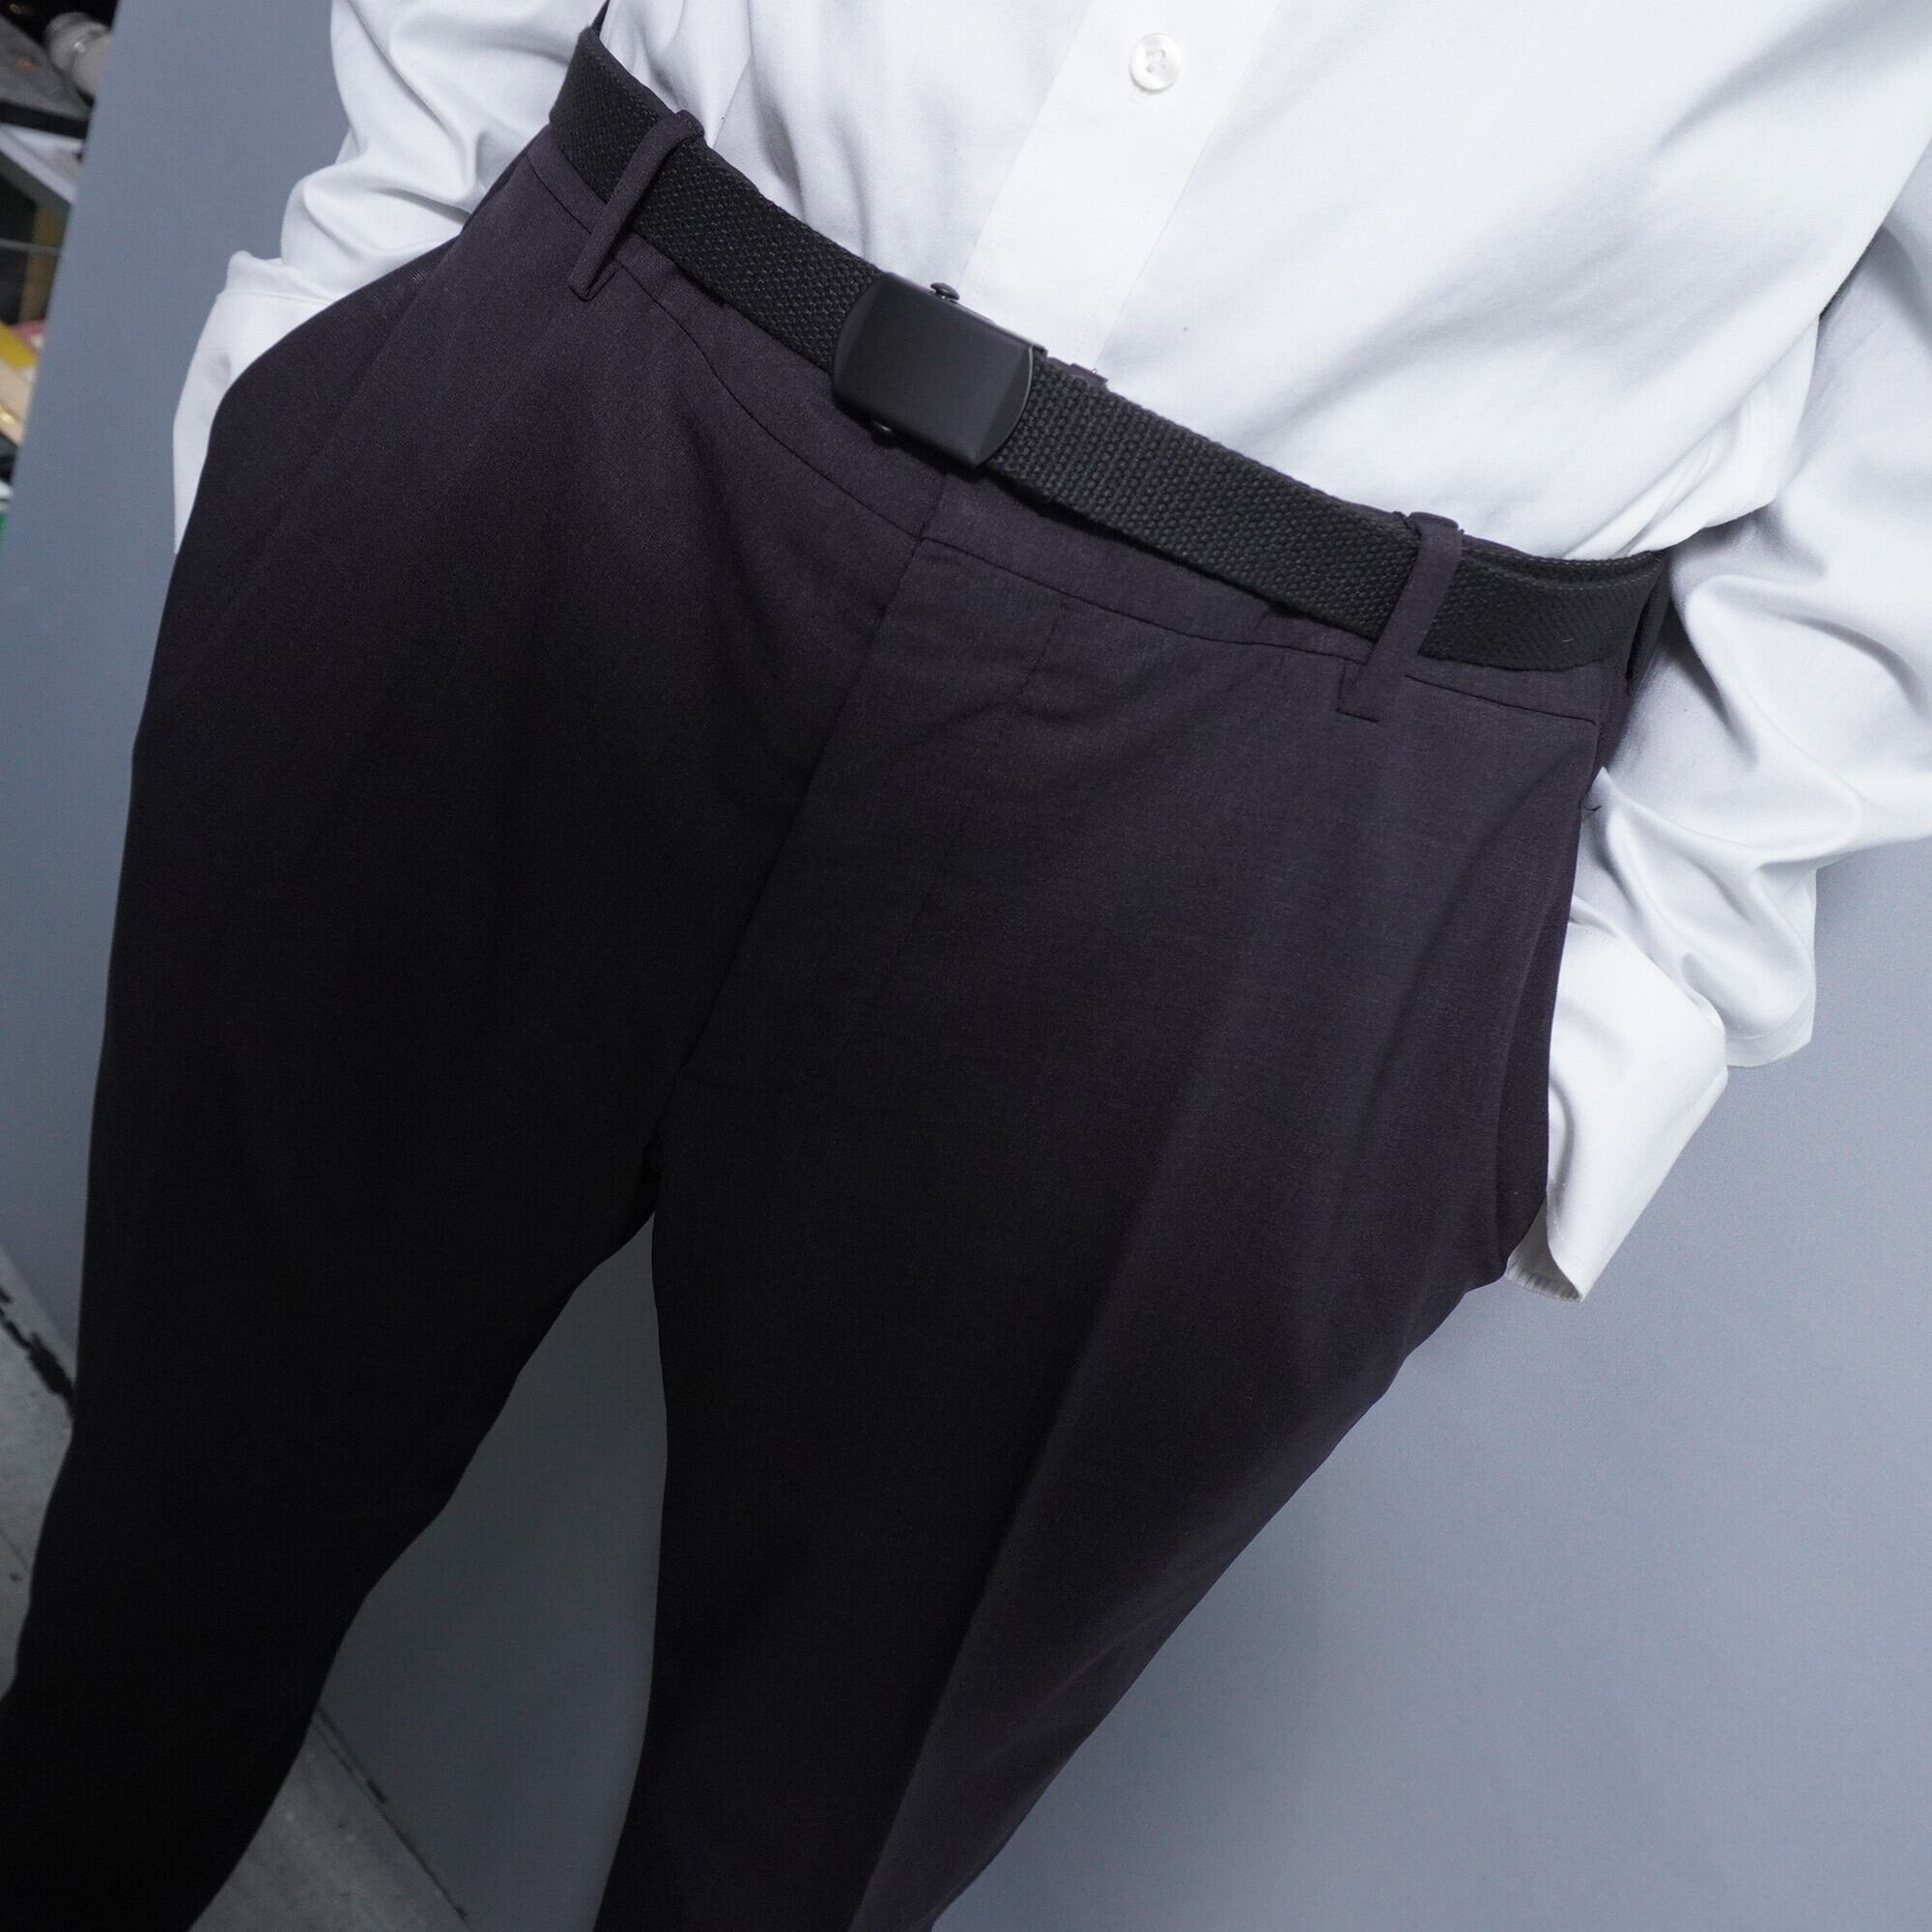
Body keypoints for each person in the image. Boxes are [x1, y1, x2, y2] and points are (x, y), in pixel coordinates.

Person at [3, 3, 1930, 1926]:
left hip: (1311, 739)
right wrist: (359, 303)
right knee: (165, 1557)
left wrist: (1644, 978)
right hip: (610, 350)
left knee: (791, 1857)